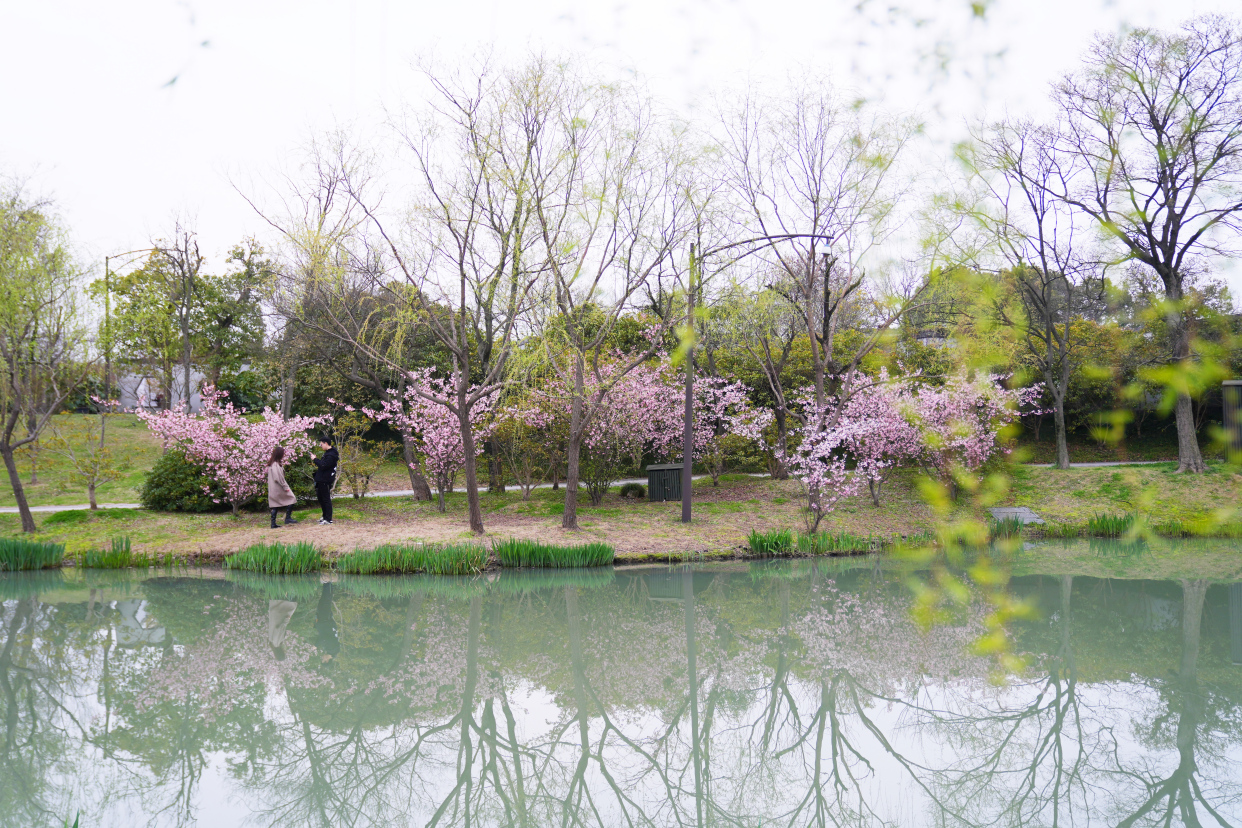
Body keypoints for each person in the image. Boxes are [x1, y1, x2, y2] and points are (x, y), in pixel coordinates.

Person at [266, 446, 299, 528]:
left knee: (275, 504)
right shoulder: (275, 465)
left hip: (274, 488)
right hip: (278, 488)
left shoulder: (272, 464)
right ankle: (287, 518)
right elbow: (278, 478)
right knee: (292, 498)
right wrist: (285, 487)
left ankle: (273, 523)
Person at [311, 435, 338, 525]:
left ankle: (328, 519)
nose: (321, 446)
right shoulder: (328, 453)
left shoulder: (332, 455)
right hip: (320, 480)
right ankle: (324, 516)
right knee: (321, 499)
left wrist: (315, 459)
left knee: (326, 499)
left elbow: (323, 465)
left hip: (325, 480)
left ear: (326, 443)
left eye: (321, 444)